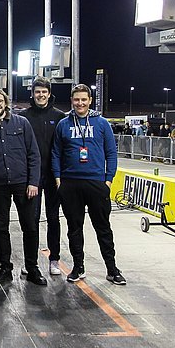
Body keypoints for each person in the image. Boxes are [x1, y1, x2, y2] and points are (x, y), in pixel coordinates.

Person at [51, 83, 126, 285]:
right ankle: (78, 267)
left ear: (90, 101)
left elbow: (111, 153)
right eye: (76, 100)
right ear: (72, 101)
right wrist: (59, 180)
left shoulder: (101, 123)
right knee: (74, 229)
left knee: (103, 228)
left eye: (84, 99)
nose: (80, 103)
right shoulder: (64, 124)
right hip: (70, 184)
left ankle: (112, 269)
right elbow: (56, 153)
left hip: (96, 183)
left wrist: (108, 180)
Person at [0, 88, 45, 286]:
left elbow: (34, 155)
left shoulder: (21, 123)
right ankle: (5, 268)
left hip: (23, 184)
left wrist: (33, 182)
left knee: (30, 226)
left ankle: (32, 267)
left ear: (5, 103)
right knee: (0, 227)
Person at [19, 76, 66, 276]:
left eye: (44, 92)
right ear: (33, 93)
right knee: (31, 220)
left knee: (53, 219)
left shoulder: (60, 116)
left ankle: (54, 259)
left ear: (49, 93)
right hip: (32, 178)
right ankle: (30, 262)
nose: (40, 95)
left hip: (53, 177)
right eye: (37, 92)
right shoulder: (24, 117)